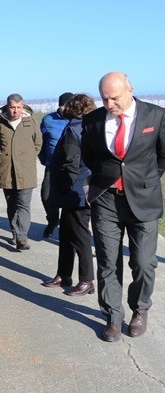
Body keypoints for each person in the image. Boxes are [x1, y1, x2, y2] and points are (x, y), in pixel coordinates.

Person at [80, 72, 165, 342]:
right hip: (106, 200)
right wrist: (108, 179)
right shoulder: (92, 120)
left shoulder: (156, 116)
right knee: (107, 262)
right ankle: (113, 316)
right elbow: (89, 156)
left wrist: (144, 181)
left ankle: (140, 308)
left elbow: (162, 157)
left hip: (144, 200)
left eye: (114, 98)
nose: (109, 104)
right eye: (104, 99)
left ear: (130, 90)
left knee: (143, 263)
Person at [42, 94, 96, 296]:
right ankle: (63, 274)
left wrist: (63, 186)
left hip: (75, 191)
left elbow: (72, 163)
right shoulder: (84, 126)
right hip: (78, 190)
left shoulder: (75, 129)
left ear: (74, 108)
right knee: (65, 234)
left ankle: (87, 279)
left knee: (80, 236)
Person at [0, 93, 42, 251]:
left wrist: (27, 158)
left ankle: (22, 237)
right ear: (7, 107)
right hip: (7, 170)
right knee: (11, 204)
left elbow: (38, 143)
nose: (15, 111)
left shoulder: (30, 122)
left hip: (26, 171)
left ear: (23, 106)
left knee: (24, 204)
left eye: (18, 107)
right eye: (12, 107)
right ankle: (15, 231)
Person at [39, 92, 73, 238]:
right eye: (62, 105)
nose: (64, 109)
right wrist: (43, 158)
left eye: (68, 105)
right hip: (52, 166)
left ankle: (68, 230)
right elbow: (41, 141)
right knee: (46, 196)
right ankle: (53, 220)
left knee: (70, 201)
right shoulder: (48, 120)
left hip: (72, 168)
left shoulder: (80, 119)